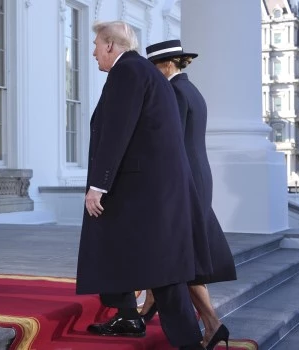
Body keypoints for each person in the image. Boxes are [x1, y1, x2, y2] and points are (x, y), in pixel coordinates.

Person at [76, 21, 212, 350]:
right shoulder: (146, 73)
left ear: (110, 45)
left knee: (161, 272)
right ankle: (133, 315)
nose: (93, 51)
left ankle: (186, 340)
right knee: (155, 267)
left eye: (96, 44)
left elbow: (116, 132)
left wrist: (98, 185)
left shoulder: (127, 72)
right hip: (152, 190)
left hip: (142, 192)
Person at [141, 39, 237, 350]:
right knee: (190, 257)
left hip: (186, 181)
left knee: (185, 258)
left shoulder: (173, 91)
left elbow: (171, 146)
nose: (151, 75)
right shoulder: (191, 90)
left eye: (153, 68)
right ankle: (208, 324)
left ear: (167, 65)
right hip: (198, 176)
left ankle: (211, 323)